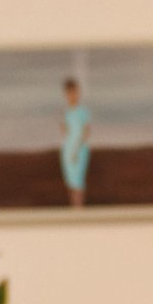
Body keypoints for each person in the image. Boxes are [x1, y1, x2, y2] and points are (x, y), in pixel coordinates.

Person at [59, 78, 90, 208]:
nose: (72, 95)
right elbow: (66, 131)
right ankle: (74, 207)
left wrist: (77, 149)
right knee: (70, 180)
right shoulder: (66, 112)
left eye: (74, 92)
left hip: (79, 149)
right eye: (69, 93)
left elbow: (85, 132)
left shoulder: (82, 112)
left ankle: (79, 208)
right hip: (68, 148)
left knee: (78, 180)